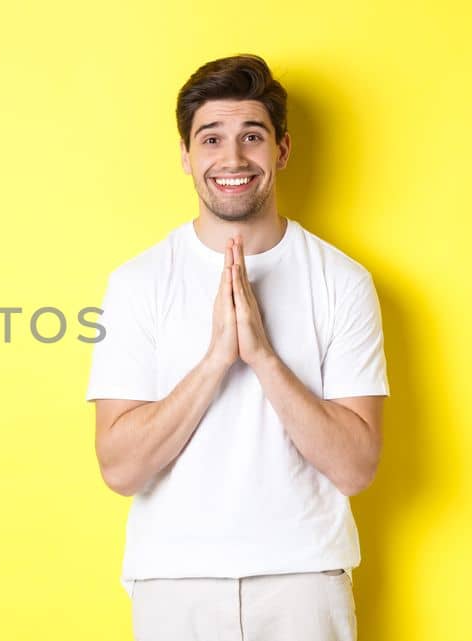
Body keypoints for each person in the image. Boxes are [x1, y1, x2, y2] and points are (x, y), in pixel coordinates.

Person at [86, 54, 390, 640]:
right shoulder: (138, 283)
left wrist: (264, 358)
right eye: (211, 139)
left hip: (305, 577)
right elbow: (119, 468)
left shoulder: (342, 280)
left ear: (281, 150)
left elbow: (356, 467)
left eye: (252, 136)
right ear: (185, 155)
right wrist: (215, 360)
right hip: (174, 582)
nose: (232, 159)